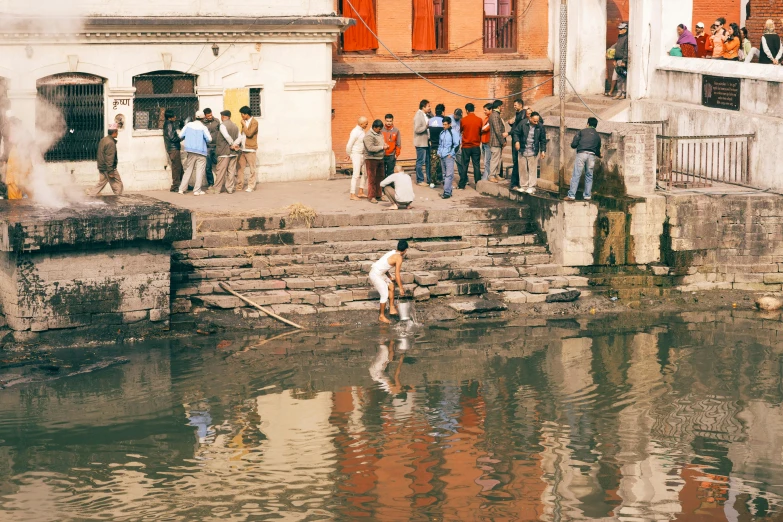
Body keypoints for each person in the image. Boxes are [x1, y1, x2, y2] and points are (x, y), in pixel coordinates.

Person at [369, 239, 408, 324]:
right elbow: (397, 274)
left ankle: (391, 308)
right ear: (405, 250)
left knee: (391, 285)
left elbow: (384, 266)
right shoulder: (399, 258)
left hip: (379, 271)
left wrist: (389, 277)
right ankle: (381, 316)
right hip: (375, 274)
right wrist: (401, 288)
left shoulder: (392, 252)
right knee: (384, 294)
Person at [566, 117, 602, 201]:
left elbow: (574, 145)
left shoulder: (581, 132)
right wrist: (599, 155)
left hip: (582, 154)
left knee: (576, 174)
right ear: (596, 126)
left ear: (588, 124)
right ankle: (587, 196)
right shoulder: (597, 136)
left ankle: (571, 195)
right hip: (591, 156)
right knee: (589, 176)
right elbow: (597, 149)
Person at [177, 110, 212, 195]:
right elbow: (209, 139)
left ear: (194, 117)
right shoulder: (204, 127)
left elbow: (180, 135)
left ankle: (181, 189)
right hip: (201, 151)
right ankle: (197, 190)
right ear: (203, 118)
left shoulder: (188, 125)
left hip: (191, 151)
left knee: (188, 170)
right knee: (200, 171)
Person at [512, 112, 546, 194]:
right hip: (522, 149)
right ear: (530, 118)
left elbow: (543, 140)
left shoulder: (540, 127)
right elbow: (516, 133)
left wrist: (543, 151)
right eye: (534, 121)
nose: (536, 123)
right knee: (523, 169)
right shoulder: (523, 123)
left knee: (532, 170)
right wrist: (517, 142)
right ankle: (524, 186)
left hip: (533, 150)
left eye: (537, 121)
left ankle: (532, 187)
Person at [209, 110, 241, 194]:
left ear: (223, 116)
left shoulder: (222, 125)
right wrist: (235, 144)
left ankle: (217, 189)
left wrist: (232, 144)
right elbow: (240, 137)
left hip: (224, 152)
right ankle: (230, 188)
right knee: (231, 171)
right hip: (233, 153)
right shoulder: (235, 125)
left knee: (220, 171)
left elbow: (226, 136)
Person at [89, 125, 123, 196]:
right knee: (118, 185)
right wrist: (110, 171)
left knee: (101, 183)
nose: (117, 133)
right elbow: (109, 158)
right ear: (114, 132)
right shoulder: (110, 143)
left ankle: (91, 194)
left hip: (102, 166)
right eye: (117, 132)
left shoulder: (103, 140)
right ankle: (118, 200)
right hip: (108, 168)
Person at [458, 103, 483, 189]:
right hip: (476, 146)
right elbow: (480, 131)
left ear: (466, 110)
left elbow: (461, 130)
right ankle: (478, 184)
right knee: (476, 165)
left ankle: (462, 185)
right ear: (473, 109)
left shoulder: (463, 120)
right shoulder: (479, 120)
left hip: (466, 146)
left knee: (464, 165)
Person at [237, 106, 259, 193]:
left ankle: (251, 186)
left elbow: (249, 134)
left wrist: (243, 124)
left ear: (246, 114)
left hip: (250, 149)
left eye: (242, 114)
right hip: (242, 148)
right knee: (240, 168)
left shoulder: (254, 122)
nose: (241, 116)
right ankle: (239, 185)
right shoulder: (245, 122)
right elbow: (242, 135)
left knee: (252, 169)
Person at [437, 116, 460, 200]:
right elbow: (440, 144)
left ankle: (446, 192)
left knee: (449, 175)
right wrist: (438, 152)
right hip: (442, 156)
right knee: (444, 175)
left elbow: (457, 144)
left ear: (449, 124)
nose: (444, 126)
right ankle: (448, 191)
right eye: (443, 124)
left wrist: (451, 154)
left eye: (445, 124)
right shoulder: (442, 133)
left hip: (449, 156)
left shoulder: (453, 132)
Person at [346, 116, 369, 200]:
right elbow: (349, 145)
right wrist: (350, 154)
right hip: (356, 154)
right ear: (361, 123)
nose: (367, 125)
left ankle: (360, 191)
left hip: (363, 154)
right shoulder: (355, 132)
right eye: (366, 124)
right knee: (356, 174)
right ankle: (352, 194)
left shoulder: (362, 131)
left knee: (365, 173)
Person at [364, 119, 386, 203]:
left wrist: (384, 145)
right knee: (372, 179)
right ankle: (371, 196)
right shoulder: (369, 135)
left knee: (380, 178)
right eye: (379, 129)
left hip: (380, 158)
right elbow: (370, 148)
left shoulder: (379, 134)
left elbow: (381, 144)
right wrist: (382, 147)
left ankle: (379, 195)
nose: (380, 130)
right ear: (374, 127)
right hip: (371, 159)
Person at [163, 109, 183, 192]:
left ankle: (183, 183)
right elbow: (172, 137)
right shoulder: (169, 125)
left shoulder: (168, 124)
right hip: (173, 148)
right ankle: (175, 186)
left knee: (179, 167)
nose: (175, 117)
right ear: (170, 117)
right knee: (176, 168)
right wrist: (180, 138)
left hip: (173, 148)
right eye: (174, 116)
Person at [508, 99, 525, 190]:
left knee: (517, 162)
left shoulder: (522, 114)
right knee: (516, 162)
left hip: (518, 140)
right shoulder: (518, 114)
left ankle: (515, 183)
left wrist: (509, 132)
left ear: (520, 105)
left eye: (515, 105)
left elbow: (517, 128)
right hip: (516, 139)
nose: (514, 107)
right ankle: (515, 183)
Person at [413, 99, 431, 187]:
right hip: (421, 143)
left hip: (426, 142)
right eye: (428, 106)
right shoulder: (418, 115)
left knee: (427, 161)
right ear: (423, 107)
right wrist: (426, 126)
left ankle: (428, 179)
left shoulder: (425, 115)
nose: (429, 108)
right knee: (420, 161)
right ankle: (420, 180)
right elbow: (417, 129)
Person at [428, 104, 446, 188]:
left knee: (434, 164)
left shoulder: (430, 120)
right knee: (443, 164)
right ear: (443, 111)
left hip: (433, 145)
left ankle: (433, 181)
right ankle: (443, 180)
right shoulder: (444, 121)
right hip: (442, 147)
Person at [488, 99, 505, 182]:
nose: (502, 108)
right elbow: (497, 130)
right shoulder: (495, 115)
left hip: (497, 142)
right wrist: (503, 141)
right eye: (502, 106)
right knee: (494, 159)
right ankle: (491, 175)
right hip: (495, 141)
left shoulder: (495, 114)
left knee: (498, 159)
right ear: (499, 106)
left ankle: (496, 174)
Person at [202, 108, 219, 187]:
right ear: (205, 116)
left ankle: (219, 182)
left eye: (211, 115)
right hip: (207, 147)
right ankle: (211, 184)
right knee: (208, 167)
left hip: (216, 146)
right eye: (208, 116)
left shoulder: (217, 121)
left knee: (219, 164)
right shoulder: (202, 123)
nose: (210, 117)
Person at [613, 22, 629, 100]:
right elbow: (617, 49)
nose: (619, 30)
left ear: (625, 30)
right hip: (618, 60)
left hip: (622, 61)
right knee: (618, 77)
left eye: (621, 29)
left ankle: (623, 93)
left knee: (623, 77)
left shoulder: (626, 38)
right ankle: (619, 93)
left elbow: (626, 50)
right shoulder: (620, 37)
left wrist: (624, 61)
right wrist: (615, 59)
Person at [480, 103, 493, 182]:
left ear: (490, 110)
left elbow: (484, 128)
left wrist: (481, 129)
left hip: (488, 142)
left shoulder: (491, 119)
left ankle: (486, 176)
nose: (484, 112)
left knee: (487, 161)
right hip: (483, 141)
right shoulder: (486, 118)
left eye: (486, 110)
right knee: (485, 160)